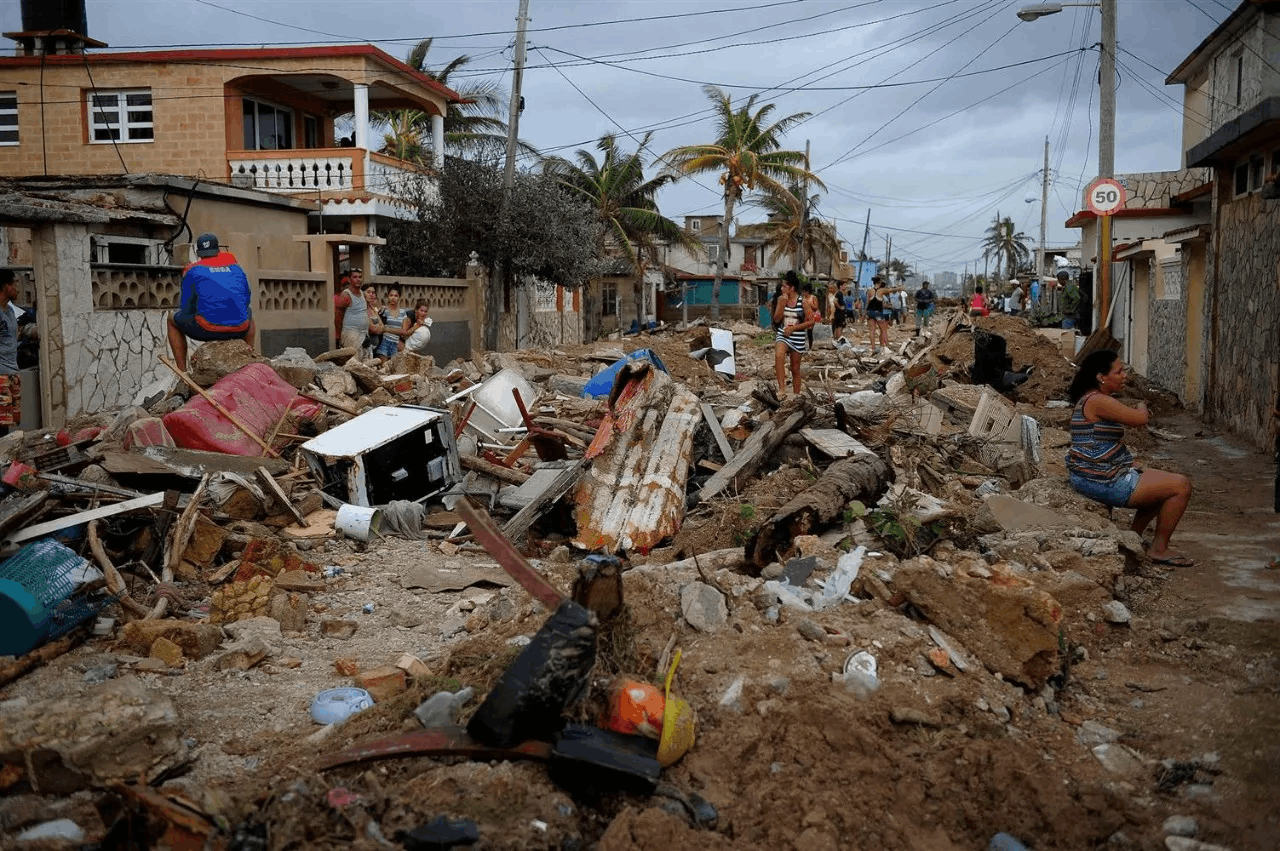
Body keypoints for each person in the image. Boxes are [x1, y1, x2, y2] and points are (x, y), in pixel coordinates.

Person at [1066, 350, 1193, 566]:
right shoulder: (1097, 400)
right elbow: (1138, 419)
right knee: (1181, 486)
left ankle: (1133, 537)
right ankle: (1159, 549)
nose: (1124, 375)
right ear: (1101, 377)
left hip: (1094, 475)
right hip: (1100, 479)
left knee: (1157, 480)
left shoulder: (1093, 398)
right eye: (1119, 371)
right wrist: (1142, 405)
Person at [167, 233, 255, 372]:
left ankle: (182, 372)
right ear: (218, 250)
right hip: (240, 329)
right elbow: (246, 300)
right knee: (249, 313)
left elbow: (186, 309)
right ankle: (250, 360)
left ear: (198, 253)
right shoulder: (236, 268)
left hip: (207, 329)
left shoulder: (192, 270)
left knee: (172, 319)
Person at [773, 271, 818, 396]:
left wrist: (794, 328)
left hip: (797, 337)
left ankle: (796, 395)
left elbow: (811, 321)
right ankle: (782, 389)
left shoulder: (802, 302)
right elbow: (776, 319)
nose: (782, 289)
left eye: (784, 286)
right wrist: (781, 304)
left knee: (795, 369)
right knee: (779, 355)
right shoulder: (781, 299)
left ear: (792, 288)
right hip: (783, 334)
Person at [0, 270, 22, 432]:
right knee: (1, 424)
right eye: (14, 284)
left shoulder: (11, 310)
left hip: (13, 371)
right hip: (1, 374)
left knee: (9, 423)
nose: (17, 288)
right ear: (6, 287)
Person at [333, 267, 368, 354]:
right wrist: (339, 335)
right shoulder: (346, 295)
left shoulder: (363, 294)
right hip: (351, 334)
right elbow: (338, 316)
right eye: (355, 277)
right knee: (353, 362)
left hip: (364, 334)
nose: (358, 279)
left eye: (360, 277)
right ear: (349, 279)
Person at [866, 275, 900, 355]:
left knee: (872, 330)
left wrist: (864, 314)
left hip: (870, 311)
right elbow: (891, 290)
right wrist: (899, 288)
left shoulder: (870, 290)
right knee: (883, 329)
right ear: (879, 282)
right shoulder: (881, 290)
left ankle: (873, 348)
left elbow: (868, 302)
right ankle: (882, 346)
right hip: (878, 312)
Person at [375, 285, 410, 362]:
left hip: (396, 345)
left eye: (396, 296)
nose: (393, 298)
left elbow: (404, 331)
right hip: (384, 343)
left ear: (399, 298)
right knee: (384, 369)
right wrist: (396, 330)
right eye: (391, 295)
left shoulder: (402, 312)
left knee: (394, 370)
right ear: (388, 296)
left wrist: (387, 329)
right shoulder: (383, 310)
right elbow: (380, 328)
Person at [362, 284, 383, 361]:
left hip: (375, 348)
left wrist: (378, 327)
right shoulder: (362, 310)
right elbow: (372, 329)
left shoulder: (373, 309)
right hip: (365, 348)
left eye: (373, 293)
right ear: (363, 294)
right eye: (369, 292)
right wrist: (378, 327)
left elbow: (382, 326)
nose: (371, 295)